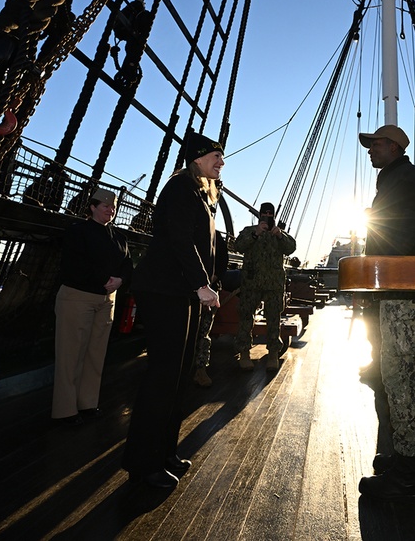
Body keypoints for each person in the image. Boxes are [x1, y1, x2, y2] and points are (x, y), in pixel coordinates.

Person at [120, 131, 223, 489]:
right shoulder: (180, 189)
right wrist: (201, 284)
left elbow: (206, 245)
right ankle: (142, 464)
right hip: (165, 291)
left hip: (184, 293)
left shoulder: (202, 192)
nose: (221, 163)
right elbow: (179, 240)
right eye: (216, 156)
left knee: (179, 377)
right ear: (197, 158)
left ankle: (164, 453)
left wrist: (206, 284)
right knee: (163, 376)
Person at [354, 124, 415, 500]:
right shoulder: (399, 179)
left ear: (394, 146)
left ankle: (408, 474)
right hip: (401, 293)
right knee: (407, 373)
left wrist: (375, 271)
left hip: (404, 293)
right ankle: (412, 457)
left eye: (375, 144)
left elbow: (399, 238)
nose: (370, 150)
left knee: (403, 376)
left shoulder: (405, 181)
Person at [52, 188, 132, 426]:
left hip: (106, 301)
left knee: (95, 354)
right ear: (92, 207)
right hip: (78, 297)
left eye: (113, 207)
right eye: (105, 206)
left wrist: (121, 280)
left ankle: (87, 403)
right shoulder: (78, 231)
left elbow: (127, 264)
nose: (110, 210)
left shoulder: (119, 237)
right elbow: (74, 263)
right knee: (70, 354)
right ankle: (64, 411)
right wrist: (105, 279)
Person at [232, 202, 297, 371]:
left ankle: (273, 354)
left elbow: (291, 248)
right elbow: (238, 246)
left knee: (274, 319)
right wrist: (255, 233)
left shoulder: (279, 234)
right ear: (259, 215)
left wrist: (280, 235)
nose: (267, 216)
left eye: (270, 214)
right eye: (264, 214)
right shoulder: (249, 231)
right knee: (246, 317)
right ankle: (244, 353)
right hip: (251, 283)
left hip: (273, 284)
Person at [192, 232, 229, 387]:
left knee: (203, 332)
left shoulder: (215, 236)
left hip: (209, 292)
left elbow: (222, 261)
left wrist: (212, 279)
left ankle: (200, 369)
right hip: (186, 291)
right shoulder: (185, 231)